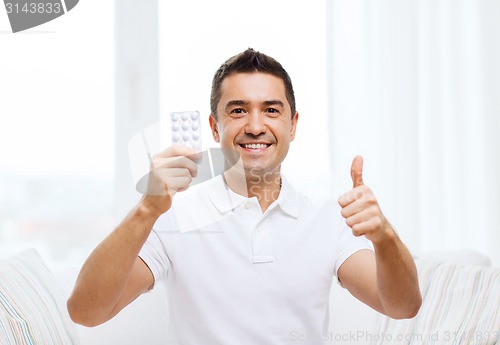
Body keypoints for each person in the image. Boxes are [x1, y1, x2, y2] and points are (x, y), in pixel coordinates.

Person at [67, 48, 421, 344]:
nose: (255, 126)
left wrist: (384, 236)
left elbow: (403, 306)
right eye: (238, 110)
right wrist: (146, 209)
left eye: (271, 109)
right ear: (214, 126)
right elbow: (86, 312)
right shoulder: (173, 216)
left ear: (293, 124)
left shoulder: (328, 219)